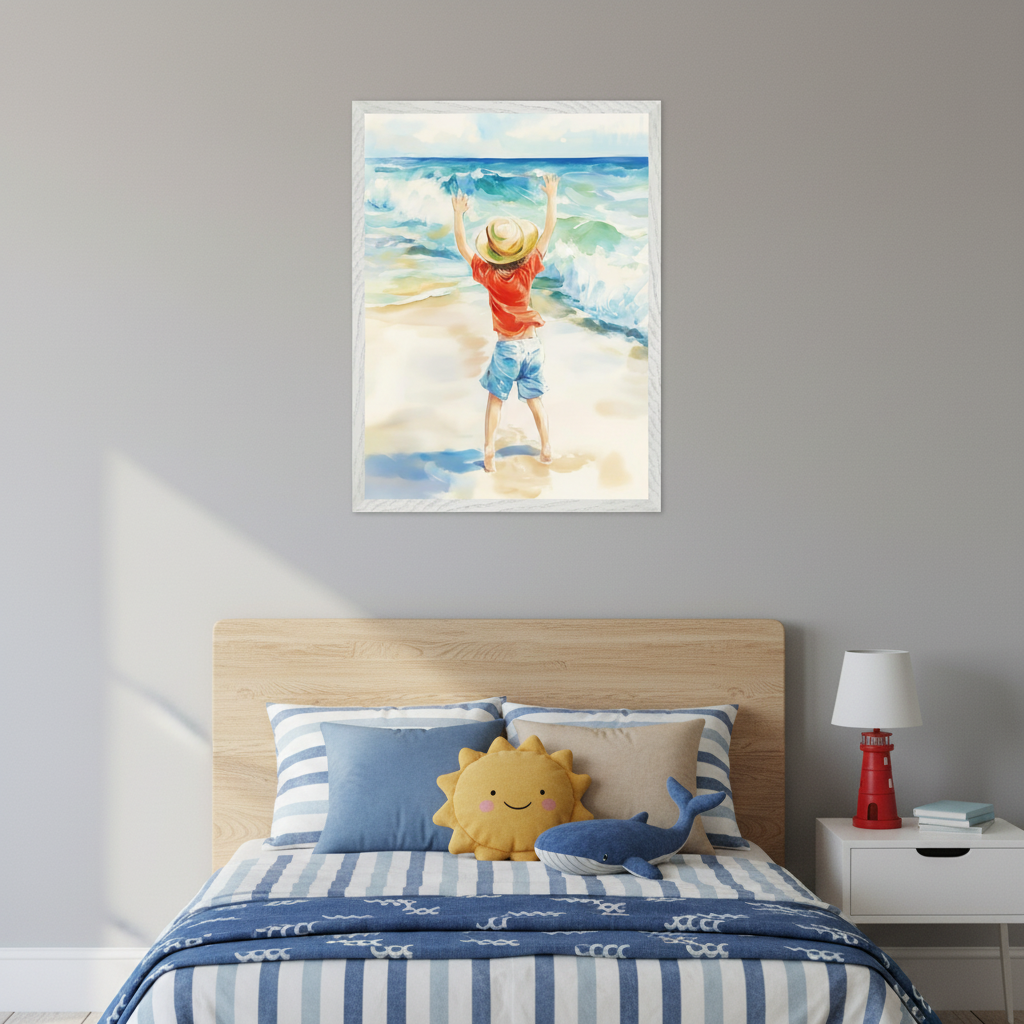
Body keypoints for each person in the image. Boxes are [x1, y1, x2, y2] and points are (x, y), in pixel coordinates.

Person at [451, 173, 559, 472]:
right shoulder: (528, 270)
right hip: (532, 347)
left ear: (493, 252)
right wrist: (551, 196)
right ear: (520, 248)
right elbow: (548, 230)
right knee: (535, 400)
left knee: (496, 400)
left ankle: (489, 451)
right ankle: (547, 447)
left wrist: (458, 214)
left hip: (507, 349)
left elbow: (462, 246)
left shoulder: (487, 275)